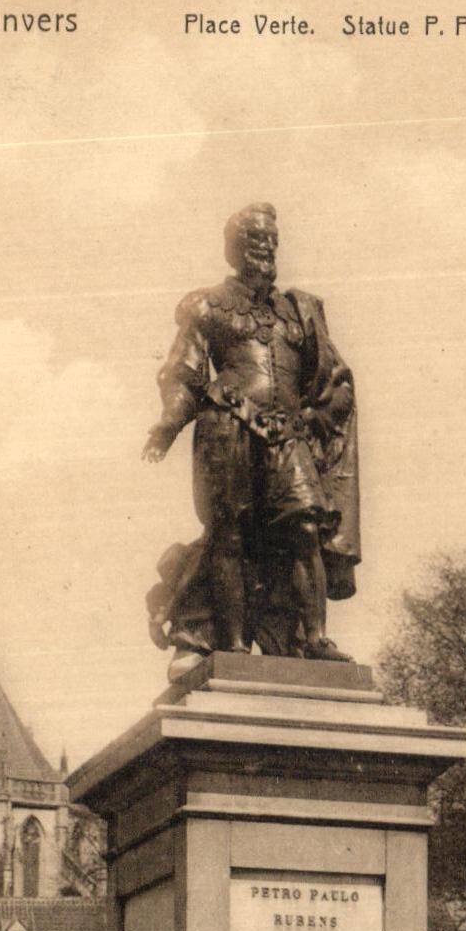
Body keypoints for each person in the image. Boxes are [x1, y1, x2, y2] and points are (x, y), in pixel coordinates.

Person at [142, 202, 360, 663]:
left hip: (288, 436)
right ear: (233, 248)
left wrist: (314, 419)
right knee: (231, 535)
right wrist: (169, 422)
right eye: (253, 239)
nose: (264, 246)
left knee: (304, 527)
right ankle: (235, 644)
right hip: (229, 427)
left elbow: (335, 382)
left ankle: (314, 639)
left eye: (270, 239)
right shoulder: (208, 305)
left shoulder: (299, 311)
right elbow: (183, 372)